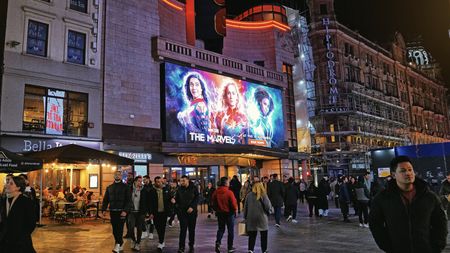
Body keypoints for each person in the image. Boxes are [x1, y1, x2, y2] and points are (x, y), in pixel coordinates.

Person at [370, 156, 448, 253]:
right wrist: (387, 246)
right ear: (394, 175)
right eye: (403, 171)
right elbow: (375, 224)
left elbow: (440, 222)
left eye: (410, 170)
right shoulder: (383, 198)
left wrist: (437, 246)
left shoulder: (429, 197)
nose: (408, 173)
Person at [0, 176, 37, 253]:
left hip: (21, 243)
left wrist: (21, 235)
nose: (7, 185)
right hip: (5, 242)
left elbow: (31, 223)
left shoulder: (26, 202)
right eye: (7, 183)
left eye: (11, 184)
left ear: (18, 187)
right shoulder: (4, 201)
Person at [102, 171, 131, 253]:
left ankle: (117, 245)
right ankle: (120, 243)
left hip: (122, 212)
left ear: (121, 176)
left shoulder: (126, 187)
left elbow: (129, 201)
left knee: (120, 228)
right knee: (114, 230)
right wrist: (103, 209)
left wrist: (125, 210)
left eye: (119, 175)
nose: (117, 176)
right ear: (113, 176)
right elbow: (105, 200)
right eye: (115, 175)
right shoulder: (109, 187)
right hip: (113, 211)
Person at [177, 73, 211, 137]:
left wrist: (187, 122)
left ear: (201, 88)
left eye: (197, 85)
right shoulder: (194, 104)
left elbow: (203, 132)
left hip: (199, 143)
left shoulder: (200, 105)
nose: (194, 88)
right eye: (191, 85)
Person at [173, 175, 199, 253]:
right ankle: (181, 247)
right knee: (183, 230)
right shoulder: (179, 189)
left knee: (191, 230)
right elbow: (176, 199)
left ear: (188, 180)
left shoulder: (193, 188)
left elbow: (197, 198)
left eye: (183, 180)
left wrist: (192, 207)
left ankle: (191, 245)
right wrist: (175, 202)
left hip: (192, 213)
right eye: (181, 181)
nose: (182, 182)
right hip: (182, 213)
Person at [244, 182, 273, 253]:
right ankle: (264, 250)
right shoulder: (264, 195)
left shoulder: (249, 195)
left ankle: (250, 249)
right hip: (262, 218)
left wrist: (245, 216)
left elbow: (245, 207)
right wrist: (270, 211)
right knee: (264, 235)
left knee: (252, 235)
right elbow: (268, 206)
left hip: (251, 218)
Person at [211, 177, 238, 253]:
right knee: (230, 231)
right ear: (226, 183)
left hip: (220, 213)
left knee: (221, 229)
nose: (229, 183)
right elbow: (233, 203)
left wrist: (216, 209)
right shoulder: (229, 192)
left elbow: (212, 202)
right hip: (229, 213)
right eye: (228, 182)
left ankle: (218, 242)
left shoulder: (216, 192)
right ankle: (230, 247)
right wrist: (234, 210)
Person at [149, 176, 172, 251]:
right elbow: (150, 203)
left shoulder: (166, 190)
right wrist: (150, 213)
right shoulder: (152, 191)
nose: (159, 183)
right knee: (158, 227)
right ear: (155, 182)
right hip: (156, 213)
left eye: (160, 181)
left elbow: (170, 200)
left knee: (162, 227)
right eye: (157, 182)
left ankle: (161, 242)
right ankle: (161, 240)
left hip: (164, 213)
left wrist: (170, 212)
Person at [128, 176, 148, 251]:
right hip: (131, 212)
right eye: (139, 181)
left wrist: (146, 212)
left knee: (139, 228)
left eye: (141, 181)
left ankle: (138, 243)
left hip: (140, 212)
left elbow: (146, 201)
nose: (140, 182)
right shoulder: (129, 189)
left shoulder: (144, 190)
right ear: (135, 181)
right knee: (130, 228)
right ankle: (133, 240)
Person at [141, 175, 154, 239]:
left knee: (151, 221)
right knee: (143, 220)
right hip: (144, 207)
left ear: (148, 179)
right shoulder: (143, 187)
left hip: (151, 207)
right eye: (143, 180)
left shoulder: (152, 187)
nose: (144, 181)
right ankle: (144, 232)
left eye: (145, 179)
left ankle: (151, 233)